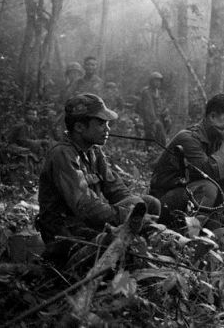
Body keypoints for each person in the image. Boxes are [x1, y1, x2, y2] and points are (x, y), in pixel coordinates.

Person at [36, 94, 160, 261]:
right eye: (101, 123)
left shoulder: (94, 151)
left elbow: (116, 189)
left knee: (149, 203)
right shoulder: (62, 155)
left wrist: (137, 209)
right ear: (79, 127)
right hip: (66, 231)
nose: (107, 129)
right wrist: (127, 217)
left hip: (87, 222)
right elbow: (85, 206)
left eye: (107, 123)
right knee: (121, 245)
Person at [150, 94, 224, 224]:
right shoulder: (189, 138)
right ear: (213, 117)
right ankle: (193, 235)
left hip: (193, 196)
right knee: (208, 187)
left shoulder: (219, 136)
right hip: (163, 201)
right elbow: (209, 173)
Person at [138, 72, 171, 150]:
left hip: (158, 118)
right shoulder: (146, 91)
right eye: (155, 80)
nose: (158, 82)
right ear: (151, 81)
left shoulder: (158, 93)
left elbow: (162, 106)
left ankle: (156, 152)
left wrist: (166, 116)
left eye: (159, 81)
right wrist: (154, 120)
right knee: (151, 138)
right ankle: (149, 153)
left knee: (161, 138)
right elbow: (148, 108)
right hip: (149, 119)